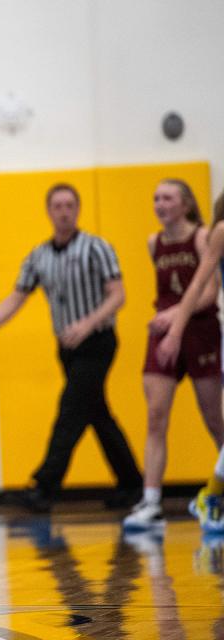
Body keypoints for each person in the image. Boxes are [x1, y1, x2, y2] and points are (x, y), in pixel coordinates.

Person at [0, 183, 142, 512]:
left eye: (70, 205)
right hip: (68, 350)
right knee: (97, 415)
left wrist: (87, 323)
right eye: (57, 206)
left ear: (78, 209)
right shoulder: (39, 256)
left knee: (70, 410)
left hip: (98, 342)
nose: (64, 211)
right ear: (48, 211)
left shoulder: (96, 247)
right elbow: (15, 300)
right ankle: (132, 485)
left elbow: (118, 294)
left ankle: (45, 486)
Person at [123, 180, 224, 531]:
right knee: (155, 414)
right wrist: (168, 321)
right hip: (164, 333)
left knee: (214, 417)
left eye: (167, 197)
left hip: (200, 331)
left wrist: (175, 315)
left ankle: (217, 489)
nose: (159, 203)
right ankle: (151, 502)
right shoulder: (155, 243)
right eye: (155, 197)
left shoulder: (202, 235)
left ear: (185, 204)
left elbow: (208, 292)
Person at [157, 189, 224, 534]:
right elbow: (198, 285)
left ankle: (211, 494)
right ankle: (209, 497)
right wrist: (175, 331)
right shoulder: (220, 231)